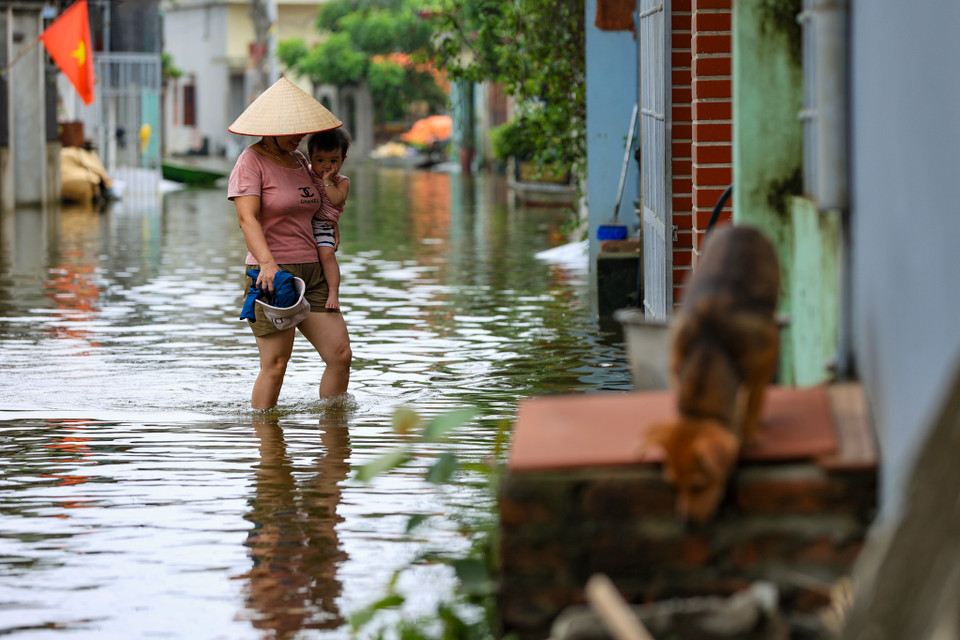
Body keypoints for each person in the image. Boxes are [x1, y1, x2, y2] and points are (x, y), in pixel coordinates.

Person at [227, 77, 351, 410]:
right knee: (276, 365)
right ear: (270, 127)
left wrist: (328, 228)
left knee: (340, 355)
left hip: (313, 272)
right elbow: (247, 219)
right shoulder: (250, 163)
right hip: (273, 275)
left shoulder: (299, 161)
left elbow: (317, 205)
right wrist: (268, 263)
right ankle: (268, 450)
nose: (299, 135)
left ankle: (334, 441)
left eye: (301, 128)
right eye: (291, 128)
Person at [307, 129, 352, 310]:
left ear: (343, 159)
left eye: (333, 161)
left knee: (327, 254)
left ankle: (333, 291)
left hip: (325, 226)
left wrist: (327, 180)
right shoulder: (307, 173)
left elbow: (336, 199)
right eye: (320, 160)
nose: (326, 166)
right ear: (310, 157)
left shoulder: (342, 181)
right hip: (305, 224)